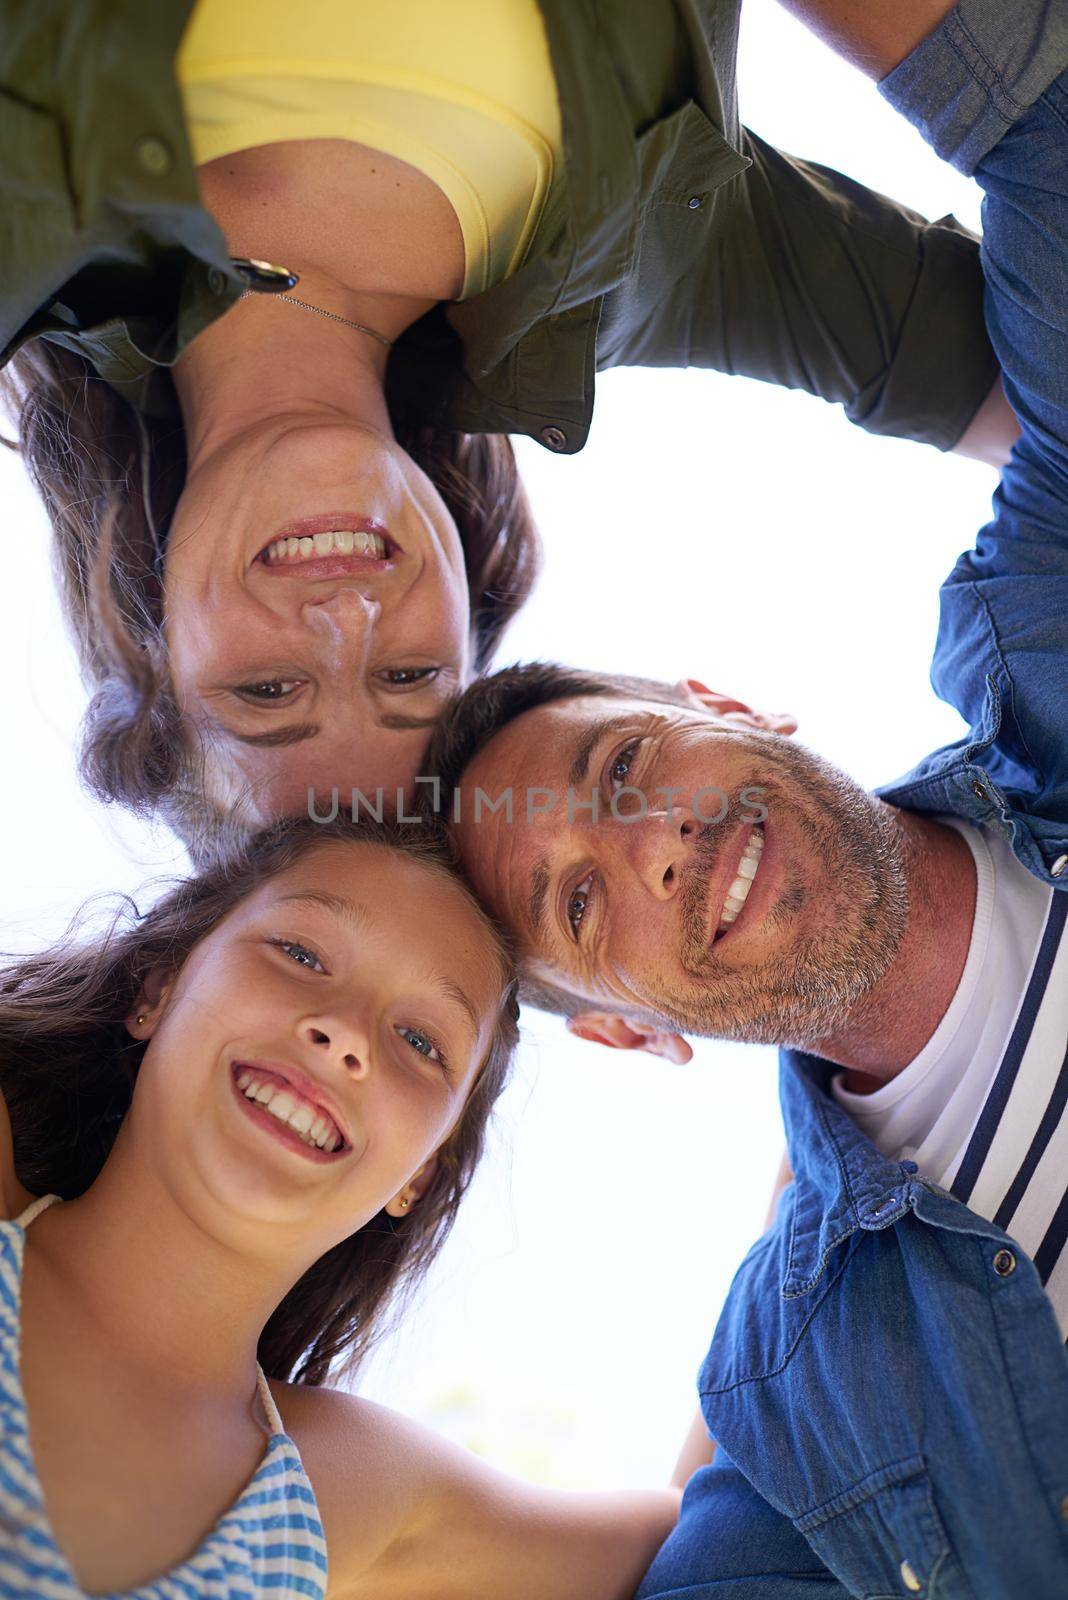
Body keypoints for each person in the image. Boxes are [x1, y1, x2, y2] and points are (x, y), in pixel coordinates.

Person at [426, 1, 1068, 1590]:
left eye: (627, 768)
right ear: (633, 1033)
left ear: (723, 704)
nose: (654, 846)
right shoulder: (801, 1420)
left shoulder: (1044, 621)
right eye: (580, 902)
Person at [0, 0, 1016, 850]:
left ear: (152, 642)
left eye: (267, 689)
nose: (346, 620)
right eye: (410, 674)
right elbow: (1014, 380)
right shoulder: (646, 266)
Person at [0, 813, 680, 1597]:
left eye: (421, 1042)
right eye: (300, 953)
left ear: (416, 1178)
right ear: (159, 986)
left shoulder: (346, 1493)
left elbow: (720, 1534)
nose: (346, 1036)